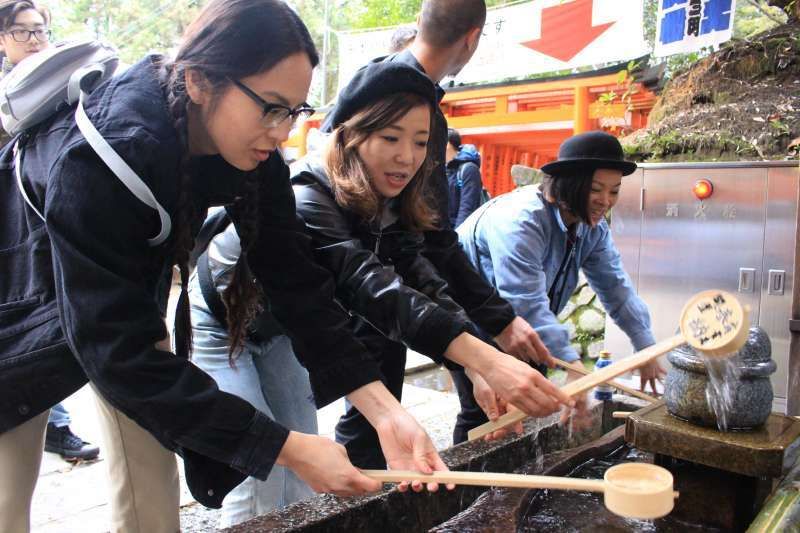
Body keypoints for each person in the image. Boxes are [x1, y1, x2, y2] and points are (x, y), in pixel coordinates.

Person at [0, 1, 447, 531]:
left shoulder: (251, 150)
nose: (283, 131)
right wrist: (287, 447)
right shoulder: (101, 157)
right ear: (198, 82)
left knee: (151, 471)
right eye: (272, 108)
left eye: (295, 111)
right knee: (10, 481)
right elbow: (116, 352)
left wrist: (383, 410)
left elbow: (298, 281)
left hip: (120, 299)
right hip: (20, 302)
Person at [293, 60, 573, 469]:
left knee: (308, 466)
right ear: (351, 135)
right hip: (236, 328)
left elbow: (424, 283)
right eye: (391, 137)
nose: (407, 157)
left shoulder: (392, 200)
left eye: (422, 142)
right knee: (275, 475)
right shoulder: (308, 193)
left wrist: (473, 368)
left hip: (301, 328)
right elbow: (370, 285)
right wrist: (487, 360)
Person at [457, 131, 666, 430]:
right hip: (473, 318)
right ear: (571, 185)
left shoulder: (591, 228)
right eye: (596, 189)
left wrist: (645, 348)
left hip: (527, 326)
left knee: (525, 408)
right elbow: (523, 300)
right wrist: (572, 364)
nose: (605, 201)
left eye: (614, 191)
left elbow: (615, 287)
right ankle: (462, 476)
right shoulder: (521, 221)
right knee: (486, 414)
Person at [0, 0, 101, 464]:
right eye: (23, 31)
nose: (37, 40)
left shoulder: (71, 88)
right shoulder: (9, 100)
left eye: (41, 29)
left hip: (65, 245)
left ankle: (57, 426)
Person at [446, 128, 485, 228]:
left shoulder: (469, 169)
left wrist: (457, 237)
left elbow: (467, 207)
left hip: (458, 231)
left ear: (447, 144)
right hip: (442, 232)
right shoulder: (441, 168)